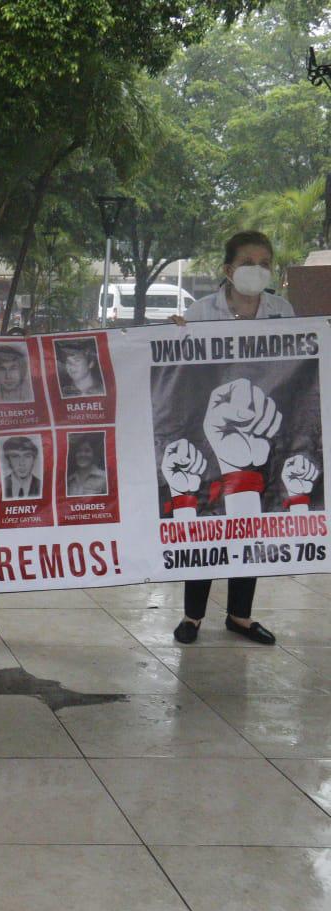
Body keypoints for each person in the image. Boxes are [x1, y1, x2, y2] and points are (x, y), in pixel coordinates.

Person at [170, 230, 290, 646]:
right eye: (248, 262)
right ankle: (192, 616)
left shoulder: (282, 311)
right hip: (206, 432)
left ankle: (240, 615)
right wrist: (171, 334)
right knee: (207, 522)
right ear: (228, 270)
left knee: (248, 523)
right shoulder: (200, 312)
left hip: (261, 434)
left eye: (265, 262)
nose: (257, 270)